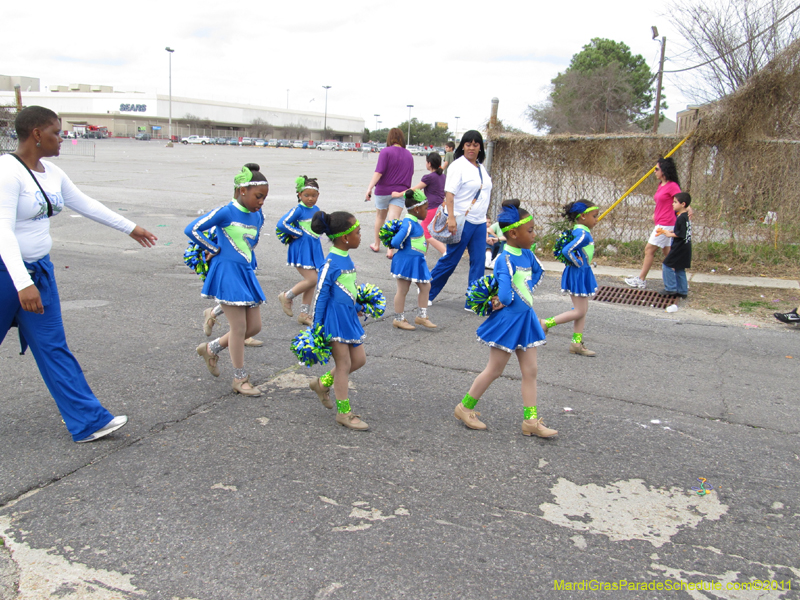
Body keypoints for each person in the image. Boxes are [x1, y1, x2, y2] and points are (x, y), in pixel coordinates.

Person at [0, 105, 157, 443]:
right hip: (7, 274)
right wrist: (21, 283)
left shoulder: (52, 172)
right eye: (56, 132)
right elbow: (3, 231)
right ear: (36, 134)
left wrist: (130, 227)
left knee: (54, 347)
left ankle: (88, 422)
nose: (62, 138)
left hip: (39, 273)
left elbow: (85, 203)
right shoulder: (6, 172)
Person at [454, 205, 557, 438]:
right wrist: (508, 298)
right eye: (530, 231)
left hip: (526, 319)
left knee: (531, 370)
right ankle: (465, 407)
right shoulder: (504, 258)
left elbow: (537, 272)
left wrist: (524, 288)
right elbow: (504, 295)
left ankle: (530, 421)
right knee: (495, 369)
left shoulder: (527, 254)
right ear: (513, 234)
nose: (534, 235)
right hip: (509, 322)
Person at [187, 164, 268, 397]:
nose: (261, 201)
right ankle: (239, 378)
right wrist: (214, 248)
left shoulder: (257, 214)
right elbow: (192, 229)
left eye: (264, 197)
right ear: (242, 190)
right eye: (258, 196)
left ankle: (211, 349)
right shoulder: (225, 211)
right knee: (239, 328)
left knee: (254, 327)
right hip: (227, 274)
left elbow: (253, 240)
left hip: (245, 272)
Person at [306, 211, 369, 430]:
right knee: (344, 364)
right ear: (345, 237)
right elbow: (321, 294)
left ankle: (322, 383)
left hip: (348, 317)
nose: (361, 235)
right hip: (333, 321)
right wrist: (317, 327)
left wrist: (358, 305)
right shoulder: (331, 262)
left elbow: (348, 287)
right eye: (358, 232)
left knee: (359, 360)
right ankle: (344, 412)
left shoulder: (345, 257)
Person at [428, 130, 493, 307]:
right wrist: (451, 219)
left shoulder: (481, 167)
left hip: (479, 222)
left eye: (476, 144)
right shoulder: (458, 165)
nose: (472, 148)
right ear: (463, 146)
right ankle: (427, 293)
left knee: (478, 262)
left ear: (480, 147)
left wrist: (485, 218)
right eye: (468, 144)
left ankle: (474, 301)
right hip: (462, 220)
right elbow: (449, 194)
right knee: (451, 260)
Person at [541, 200, 600, 357]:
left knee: (582, 310)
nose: (597, 219)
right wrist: (577, 262)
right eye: (594, 216)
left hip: (581, 272)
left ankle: (576, 342)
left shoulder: (578, 230)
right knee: (580, 310)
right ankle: (546, 323)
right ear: (582, 216)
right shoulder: (583, 233)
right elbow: (567, 250)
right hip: (579, 273)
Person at [625, 157, 681, 289]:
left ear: (664, 171)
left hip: (666, 224)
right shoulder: (661, 185)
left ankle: (641, 279)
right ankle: (679, 280)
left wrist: (688, 211)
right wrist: (655, 214)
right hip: (661, 222)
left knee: (649, 249)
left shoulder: (672, 186)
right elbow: (662, 202)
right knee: (668, 252)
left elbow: (681, 200)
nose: (654, 171)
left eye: (656, 169)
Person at [276, 176, 325, 326]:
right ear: (299, 195)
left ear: (318, 196)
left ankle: (304, 314)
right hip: (301, 249)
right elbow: (282, 223)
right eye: (306, 195)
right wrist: (297, 233)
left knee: (312, 282)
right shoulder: (298, 209)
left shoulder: (316, 210)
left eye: (313, 195)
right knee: (313, 279)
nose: (310, 198)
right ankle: (287, 296)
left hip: (314, 248)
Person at [388, 190, 436, 331]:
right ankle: (399, 319)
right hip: (407, 262)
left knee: (425, 287)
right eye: (426, 208)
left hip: (417, 262)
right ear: (416, 209)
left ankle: (421, 316)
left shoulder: (414, 223)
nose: (427, 211)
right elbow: (395, 241)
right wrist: (401, 246)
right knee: (403, 289)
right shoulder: (408, 223)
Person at [365, 128, 414, 258]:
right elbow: (410, 175)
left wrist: (369, 188)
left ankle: (377, 244)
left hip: (383, 191)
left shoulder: (385, 152)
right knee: (394, 220)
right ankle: (390, 249)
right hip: (400, 191)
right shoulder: (409, 155)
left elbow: (379, 172)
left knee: (380, 217)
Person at [394, 152, 446, 255]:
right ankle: (423, 255)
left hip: (431, 208)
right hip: (441, 208)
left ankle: (445, 253)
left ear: (429, 163)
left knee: (426, 232)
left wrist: (398, 194)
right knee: (429, 231)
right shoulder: (442, 176)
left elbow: (414, 189)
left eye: (426, 162)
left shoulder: (429, 177)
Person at [657, 192, 692, 298]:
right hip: (685, 247)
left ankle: (670, 288)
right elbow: (682, 230)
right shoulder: (685, 216)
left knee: (667, 265)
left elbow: (680, 234)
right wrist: (672, 230)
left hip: (679, 248)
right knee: (679, 268)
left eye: (675, 202)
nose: (673, 204)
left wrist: (669, 234)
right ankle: (682, 291)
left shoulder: (681, 218)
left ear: (683, 204)